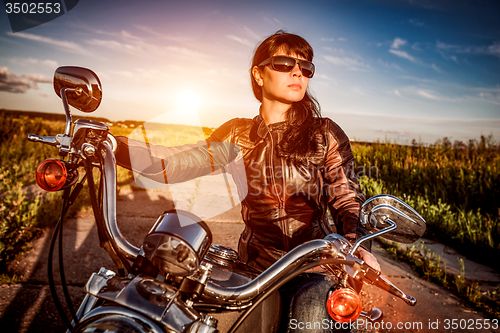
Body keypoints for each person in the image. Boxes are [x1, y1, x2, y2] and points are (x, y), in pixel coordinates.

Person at [115, 30, 380, 333]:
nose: (298, 72)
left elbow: (347, 197)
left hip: (314, 266)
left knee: (309, 319)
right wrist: (112, 145)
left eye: (306, 68)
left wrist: (358, 244)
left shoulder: (324, 134)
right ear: (258, 74)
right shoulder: (236, 135)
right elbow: (175, 162)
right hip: (254, 266)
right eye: (283, 63)